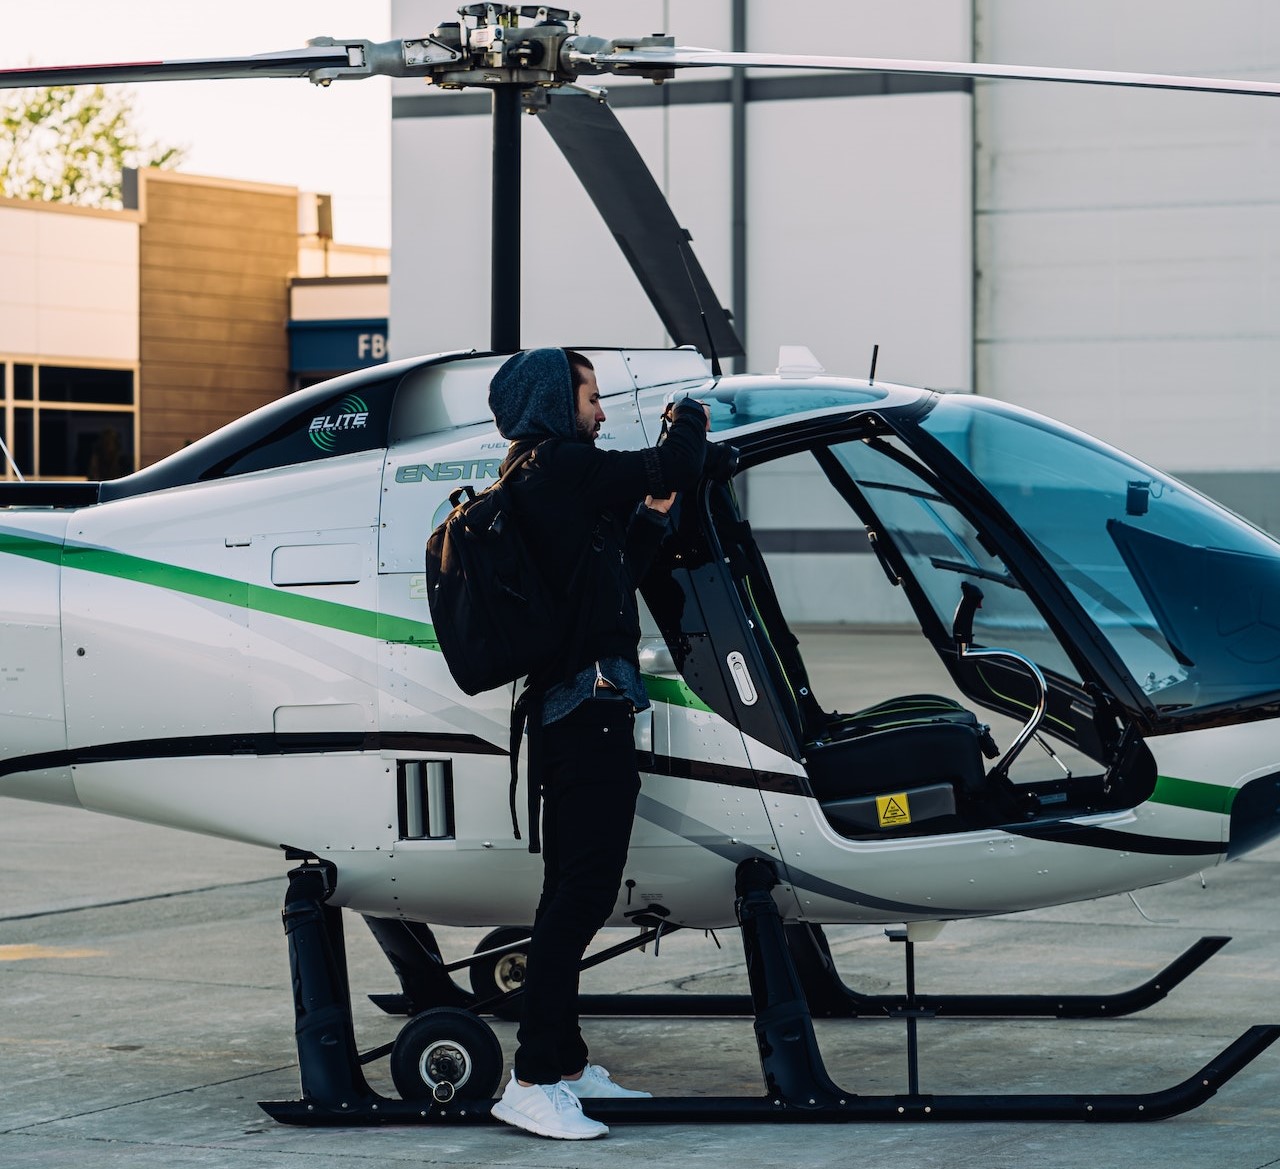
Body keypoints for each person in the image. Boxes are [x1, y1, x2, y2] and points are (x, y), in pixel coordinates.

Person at [486, 347, 710, 1140]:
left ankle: (569, 1065)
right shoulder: (559, 468)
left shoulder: (548, 482)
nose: (602, 410)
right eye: (592, 395)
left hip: (587, 708)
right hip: (582, 713)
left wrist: (647, 520)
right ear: (556, 400)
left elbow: (611, 582)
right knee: (578, 896)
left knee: (575, 891)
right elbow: (671, 457)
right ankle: (533, 1078)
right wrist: (690, 413)